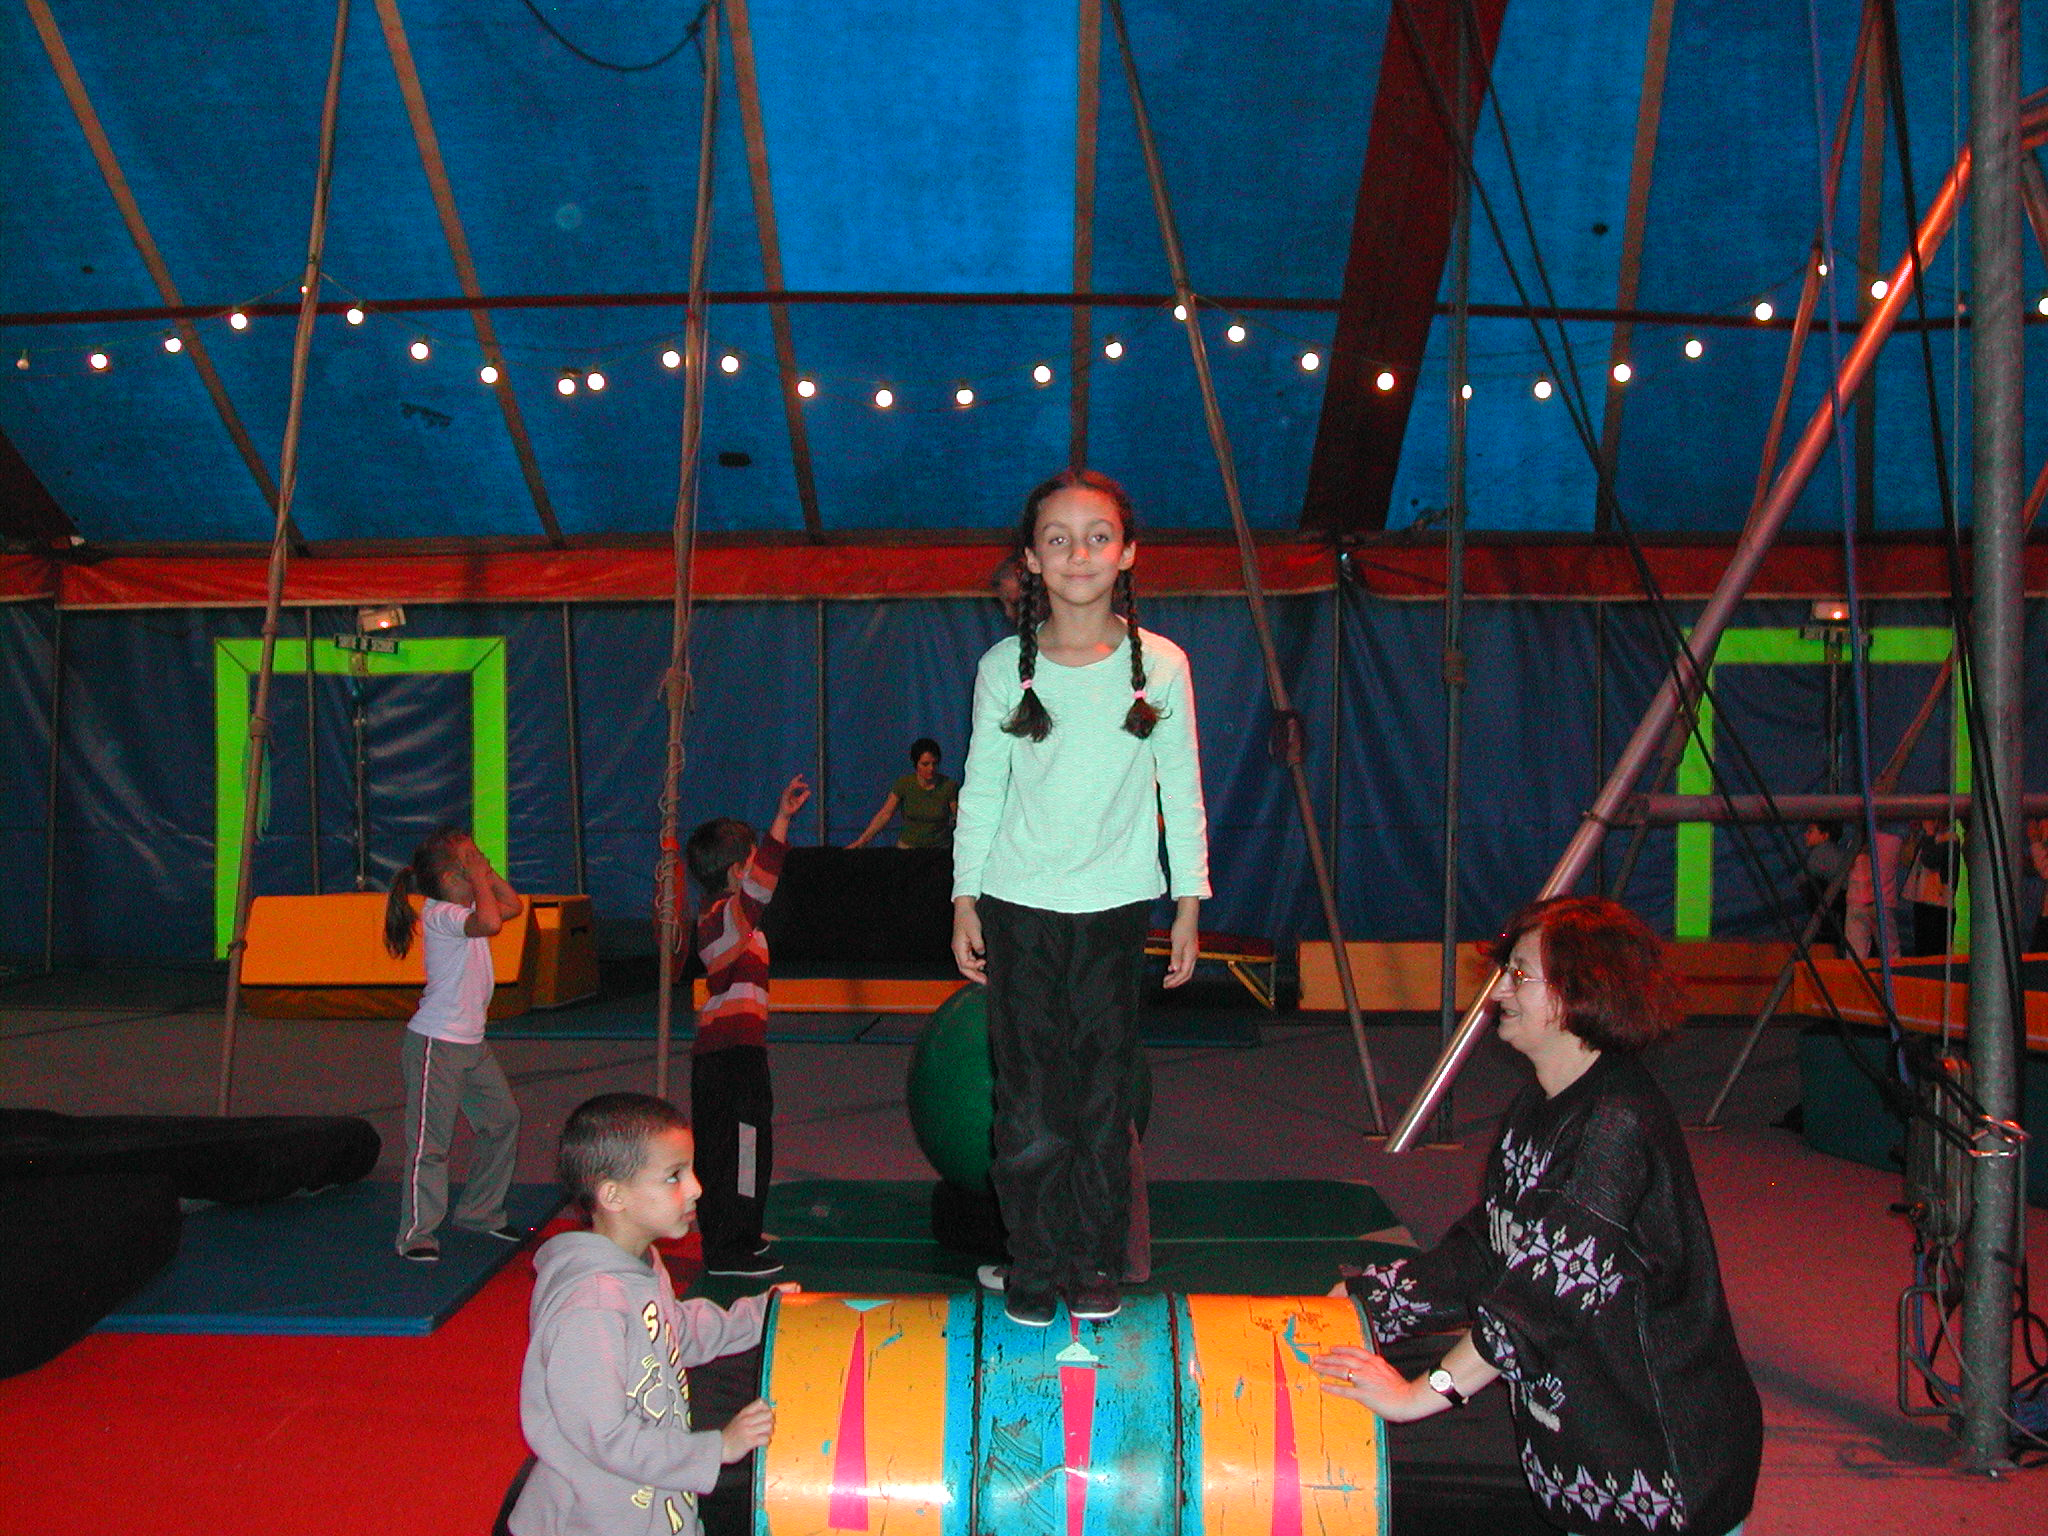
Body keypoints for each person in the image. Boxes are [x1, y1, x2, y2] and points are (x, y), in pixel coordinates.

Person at [1314, 896, 1761, 1536]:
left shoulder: (1615, 1125)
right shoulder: (1542, 1103)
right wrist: (1371, 1303)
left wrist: (1420, 1395)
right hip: (1588, 1447)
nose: (1499, 991)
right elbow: (1492, 1245)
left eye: (1520, 975)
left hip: (1660, 1467)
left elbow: (1541, 1294)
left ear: (1582, 994)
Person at [951, 467, 1209, 1327]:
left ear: (1128, 552)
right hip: (1018, 905)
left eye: (1098, 537)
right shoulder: (1003, 668)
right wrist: (965, 898)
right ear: (1031, 558)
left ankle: (1095, 1258)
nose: (1079, 554)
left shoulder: (1161, 665)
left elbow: (1182, 787)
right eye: (1057, 539)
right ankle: (1034, 1258)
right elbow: (982, 791)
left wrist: (1189, 901)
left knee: (1101, 1093)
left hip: (1115, 909)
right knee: (1026, 1096)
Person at [509, 1093, 795, 1536]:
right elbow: (606, 1436)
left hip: (653, 1495)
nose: (696, 1188)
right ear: (613, 1195)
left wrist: (763, 1314)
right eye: (673, 1176)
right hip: (595, 1519)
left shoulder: (640, 1263)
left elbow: (677, 1331)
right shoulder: (590, 1309)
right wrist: (718, 1448)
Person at [685, 774, 809, 1277]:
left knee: (751, 1145)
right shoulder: (721, 920)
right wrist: (781, 822)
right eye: (752, 862)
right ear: (738, 872)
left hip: (743, 1051)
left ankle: (743, 1230)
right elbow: (760, 889)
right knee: (733, 1149)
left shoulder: (739, 921)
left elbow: (757, 894)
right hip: (727, 1057)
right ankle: (726, 1248)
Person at [382, 828, 524, 1262]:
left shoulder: (465, 906)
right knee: (431, 1143)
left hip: (471, 1044)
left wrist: (485, 873)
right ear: (451, 877)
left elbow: (513, 907)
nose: (482, 860)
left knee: (502, 1121)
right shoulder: (441, 913)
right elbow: (491, 923)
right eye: (473, 858)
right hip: (437, 1044)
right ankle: (417, 1233)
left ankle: (480, 1211)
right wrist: (481, 877)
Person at [847, 738, 958, 849]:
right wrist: (863, 840)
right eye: (925, 764)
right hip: (907, 848)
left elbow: (959, 816)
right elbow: (885, 814)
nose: (931, 768)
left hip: (939, 848)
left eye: (935, 763)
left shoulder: (949, 786)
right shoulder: (904, 784)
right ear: (916, 764)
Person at [1844, 824, 1904, 961]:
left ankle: (1857, 975)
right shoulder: (1893, 841)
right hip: (1883, 901)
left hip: (1856, 901)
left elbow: (1847, 867)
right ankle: (1894, 974)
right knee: (1891, 954)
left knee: (1855, 956)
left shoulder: (1854, 843)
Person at [1907, 818, 1961, 958]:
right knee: (1923, 948)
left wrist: (1929, 834)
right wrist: (1915, 836)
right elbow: (1911, 859)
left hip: (1938, 903)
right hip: (1924, 900)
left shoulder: (1951, 839)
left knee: (1935, 949)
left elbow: (1930, 859)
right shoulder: (1930, 839)